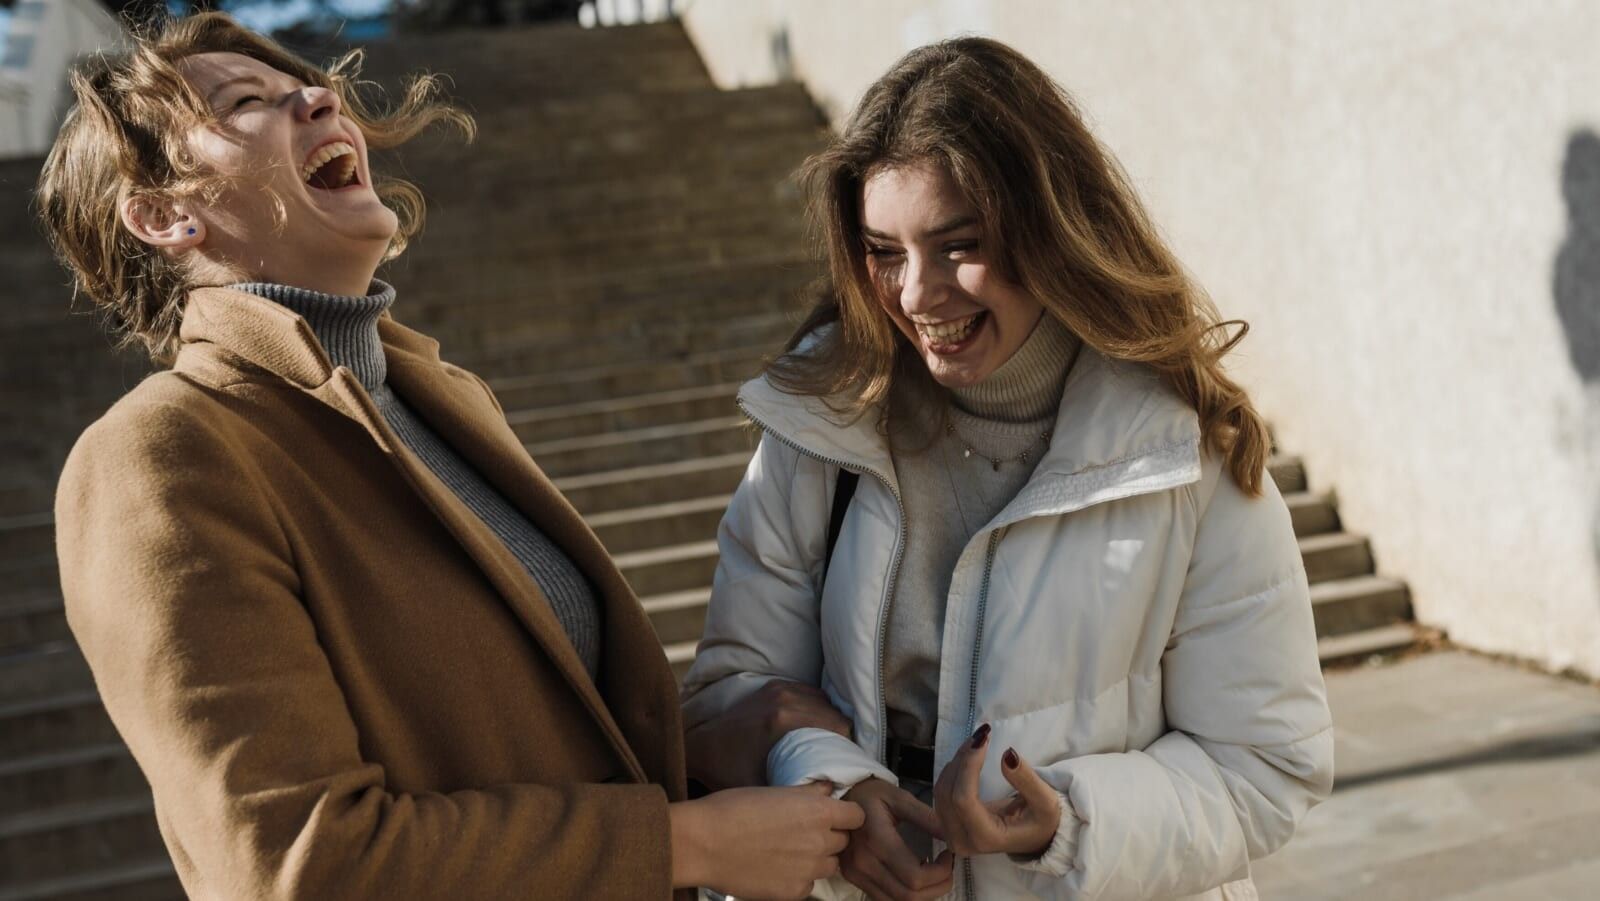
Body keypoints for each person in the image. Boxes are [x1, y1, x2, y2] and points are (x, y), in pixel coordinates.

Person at [39, 12, 862, 900]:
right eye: (248, 102)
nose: (321, 97)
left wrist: (702, 749)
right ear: (163, 215)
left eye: (308, 88)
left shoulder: (434, 394)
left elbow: (503, 742)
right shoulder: (157, 456)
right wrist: (680, 844)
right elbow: (295, 863)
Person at [681, 36, 1334, 901]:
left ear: (1052, 228)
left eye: (959, 243)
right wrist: (839, 789)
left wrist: (1067, 824)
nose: (916, 293)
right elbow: (728, 697)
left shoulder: (1182, 450)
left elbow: (1266, 766)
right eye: (885, 250)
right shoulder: (818, 421)